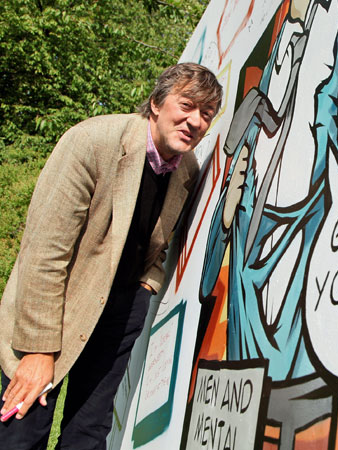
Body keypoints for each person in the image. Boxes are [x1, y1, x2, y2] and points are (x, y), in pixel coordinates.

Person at [0, 62, 222, 449]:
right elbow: (44, 253)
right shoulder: (93, 141)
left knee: (88, 433)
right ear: (156, 103)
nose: (195, 121)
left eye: (206, 113)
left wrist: (146, 286)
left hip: (121, 311)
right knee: (23, 428)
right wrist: (37, 350)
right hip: (60, 302)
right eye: (186, 105)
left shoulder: (186, 168)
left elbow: (160, 242)